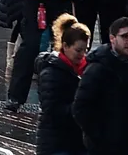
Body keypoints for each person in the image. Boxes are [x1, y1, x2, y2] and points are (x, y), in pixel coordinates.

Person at [71, 18, 128, 155]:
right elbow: (80, 109)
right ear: (112, 38)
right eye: (125, 37)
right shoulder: (97, 68)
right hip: (109, 146)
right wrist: (102, 137)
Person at [36, 15, 93, 154]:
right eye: (78, 50)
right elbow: (53, 111)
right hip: (56, 144)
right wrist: (82, 107)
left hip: (78, 142)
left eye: (85, 50)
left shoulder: (86, 70)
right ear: (65, 46)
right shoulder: (50, 73)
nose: (82, 55)